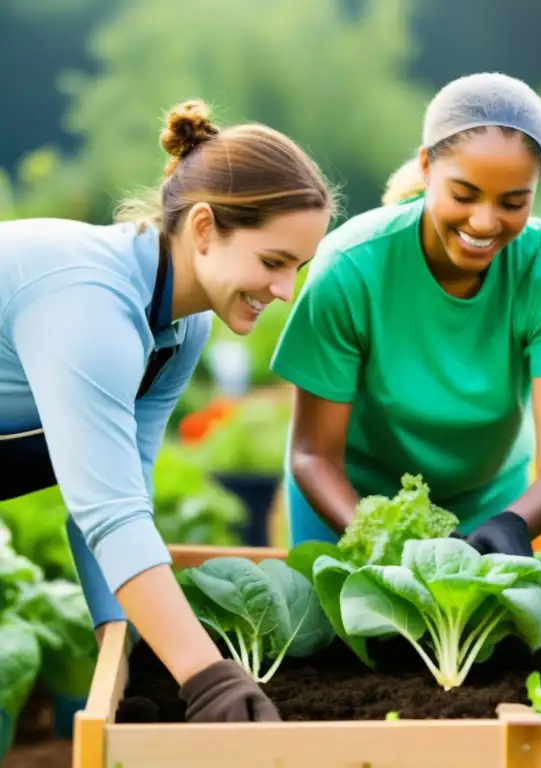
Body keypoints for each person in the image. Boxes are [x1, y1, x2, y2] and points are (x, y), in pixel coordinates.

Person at [0, 99, 335, 722]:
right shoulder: (91, 309)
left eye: (298, 267)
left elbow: (126, 489)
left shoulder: (182, 327)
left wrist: (117, 641)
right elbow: (110, 514)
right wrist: (206, 677)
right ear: (204, 228)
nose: (287, 290)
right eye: (272, 262)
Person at [271, 72, 541, 558]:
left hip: (488, 505)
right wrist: (386, 539)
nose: (484, 222)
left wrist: (512, 524)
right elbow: (314, 455)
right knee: (335, 635)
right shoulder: (351, 267)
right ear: (425, 167)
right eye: (463, 195)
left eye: (513, 202)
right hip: (349, 505)